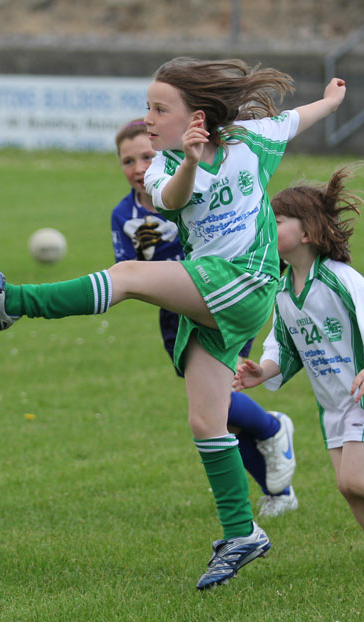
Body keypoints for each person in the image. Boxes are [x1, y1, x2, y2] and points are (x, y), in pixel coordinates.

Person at [0, 57, 346, 589]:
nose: (149, 117)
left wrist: (333, 98)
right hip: (213, 284)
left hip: (246, 281)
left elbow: (300, 117)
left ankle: (12, 301)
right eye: (147, 107)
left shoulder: (250, 141)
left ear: (198, 113)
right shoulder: (164, 163)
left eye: (160, 108)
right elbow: (172, 198)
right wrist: (186, 159)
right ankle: (242, 534)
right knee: (206, 422)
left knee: (130, 275)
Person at [112, 118, 297, 516]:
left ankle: (271, 427)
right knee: (220, 419)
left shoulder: (191, 183)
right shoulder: (124, 214)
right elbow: (127, 272)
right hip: (174, 314)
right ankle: (278, 490)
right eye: (128, 161)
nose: (139, 167)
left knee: (216, 404)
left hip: (222, 300)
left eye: (147, 155)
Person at [233, 166, 364, 537]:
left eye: (276, 221)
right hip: (332, 404)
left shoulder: (340, 279)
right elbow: (286, 343)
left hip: (363, 397)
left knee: (358, 481)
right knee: (348, 487)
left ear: (307, 232)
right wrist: (264, 369)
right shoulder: (282, 289)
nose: (267, 227)